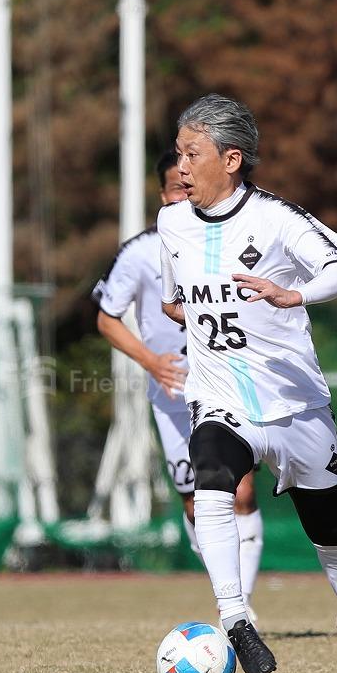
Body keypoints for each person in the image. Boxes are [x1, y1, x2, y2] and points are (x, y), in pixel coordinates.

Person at [159, 93, 337, 673]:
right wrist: (189, 310)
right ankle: (235, 618)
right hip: (219, 397)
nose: (181, 167)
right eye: (179, 154)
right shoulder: (172, 223)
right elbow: (174, 298)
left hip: (295, 406)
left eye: (192, 154)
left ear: (231, 159)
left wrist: (294, 294)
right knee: (211, 480)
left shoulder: (277, 219)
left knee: (329, 532)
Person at [92, 150, 265, 622]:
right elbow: (107, 318)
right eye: (175, 187)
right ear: (162, 194)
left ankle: (240, 610)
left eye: (190, 185)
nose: (184, 194)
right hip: (173, 397)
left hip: (229, 385)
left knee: (240, 491)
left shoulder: (232, 239)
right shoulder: (140, 251)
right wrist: (151, 362)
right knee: (196, 502)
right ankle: (228, 594)